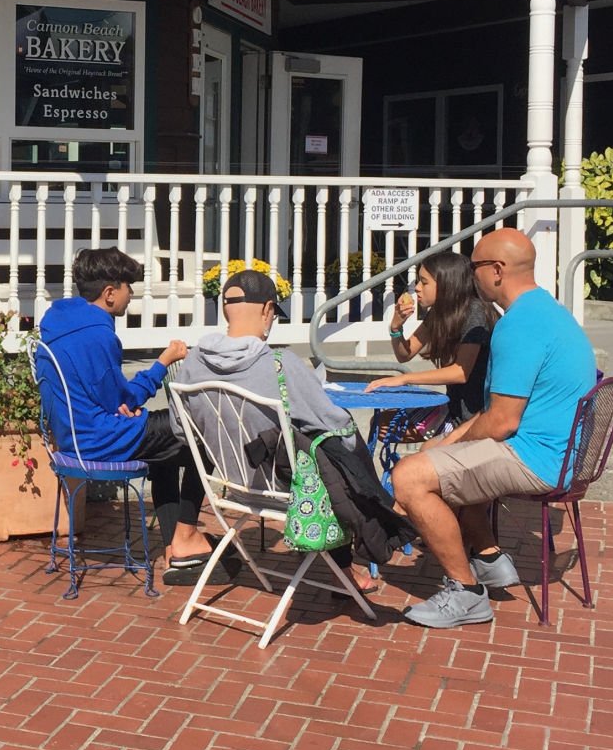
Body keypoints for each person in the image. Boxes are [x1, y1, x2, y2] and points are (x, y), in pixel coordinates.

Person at [391, 227, 597, 628]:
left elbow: (501, 421)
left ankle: (466, 592)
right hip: (556, 450)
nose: (471, 276)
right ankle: (489, 560)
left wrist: (444, 445)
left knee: (410, 478)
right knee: (443, 457)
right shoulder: (544, 311)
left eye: (475, 267)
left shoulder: (518, 325)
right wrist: (448, 443)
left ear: (497, 270)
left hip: (537, 457)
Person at [170, 269, 414, 598]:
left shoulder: (191, 363)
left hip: (231, 485)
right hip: (287, 491)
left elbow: (181, 432)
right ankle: (361, 554)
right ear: (268, 310)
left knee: (317, 452)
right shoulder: (280, 364)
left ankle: (346, 568)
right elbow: (334, 425)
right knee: (338, 449)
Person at [34, 247, 218, 585]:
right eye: (127, 287)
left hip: (75, 435)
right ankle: (184, 539)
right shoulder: (99, 335)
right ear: (109, 294)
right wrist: (165, 360)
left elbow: (111, 397)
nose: (131, 296)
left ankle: (173, 552)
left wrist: (121, 403)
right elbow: (124, 397)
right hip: (99, 439)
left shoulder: (59, 324)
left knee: (169, 449)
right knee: (201, 434)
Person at [369, 250, 495, 425]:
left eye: (424, 282)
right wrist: (396, 327)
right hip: (453, 410)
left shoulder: (475, 312)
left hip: (478, 418)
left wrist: (404, 378)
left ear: (446, 284)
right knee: (384, 424)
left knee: (426, 450)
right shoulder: (439, 314)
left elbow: (461, 372)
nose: (418, 288)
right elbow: (405, 354)